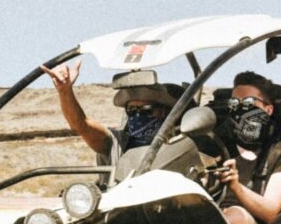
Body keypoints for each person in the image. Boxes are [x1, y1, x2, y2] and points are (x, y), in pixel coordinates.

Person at [216, 71, 281, 224]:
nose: (240, 108)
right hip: (211, 216)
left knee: (235, 217)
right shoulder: (217, 144)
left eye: (248, 102)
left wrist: (236, 187)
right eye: (235, 103)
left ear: (268, 109)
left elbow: (270, 211)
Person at [41, 59, 179, 164]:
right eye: (131, 110)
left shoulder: (179, 145)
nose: (138, 116)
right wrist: (65, 91)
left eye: (146, 110)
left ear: (163, 112)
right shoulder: (116, 143)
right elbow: (81, 125)